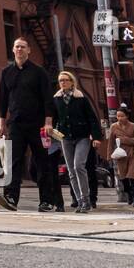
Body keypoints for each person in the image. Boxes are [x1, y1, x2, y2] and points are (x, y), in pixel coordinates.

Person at [0, 37, 57, 212]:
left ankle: (46, 201)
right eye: (17, 47)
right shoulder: (7, 72)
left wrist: (48, 122)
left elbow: (47, 98)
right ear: (13, 50)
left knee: (41, 162)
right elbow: (3, 99)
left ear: (29, 50)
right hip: (15, 124)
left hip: (38, 124)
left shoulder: (39, 72)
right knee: (13, 161)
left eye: (23, 47)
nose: (19, 49)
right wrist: (2, 124)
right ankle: (11, 197)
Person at [46, 70, 102, 213]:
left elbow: (92, 118)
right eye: (60, 81)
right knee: (71, 171)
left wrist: (95, 137)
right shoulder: (56, 99)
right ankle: (80, 202)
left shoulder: (80, 98)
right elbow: (55, 120)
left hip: (82, 137)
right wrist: (54, 134)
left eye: (65, 80)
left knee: (78, 166)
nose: (63, 83)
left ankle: (86, 199)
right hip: (66, 139)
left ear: (72, 82)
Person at [108, 107, 134, 207]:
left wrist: (124, 140)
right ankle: (129, 194)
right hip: (121, 155)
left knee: (133, 176)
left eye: (122, 116)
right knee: (123, 177)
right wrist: (109, 156)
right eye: (118, 116)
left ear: (127, 116)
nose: (119, 118)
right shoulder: (114, 127)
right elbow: (110, 142)